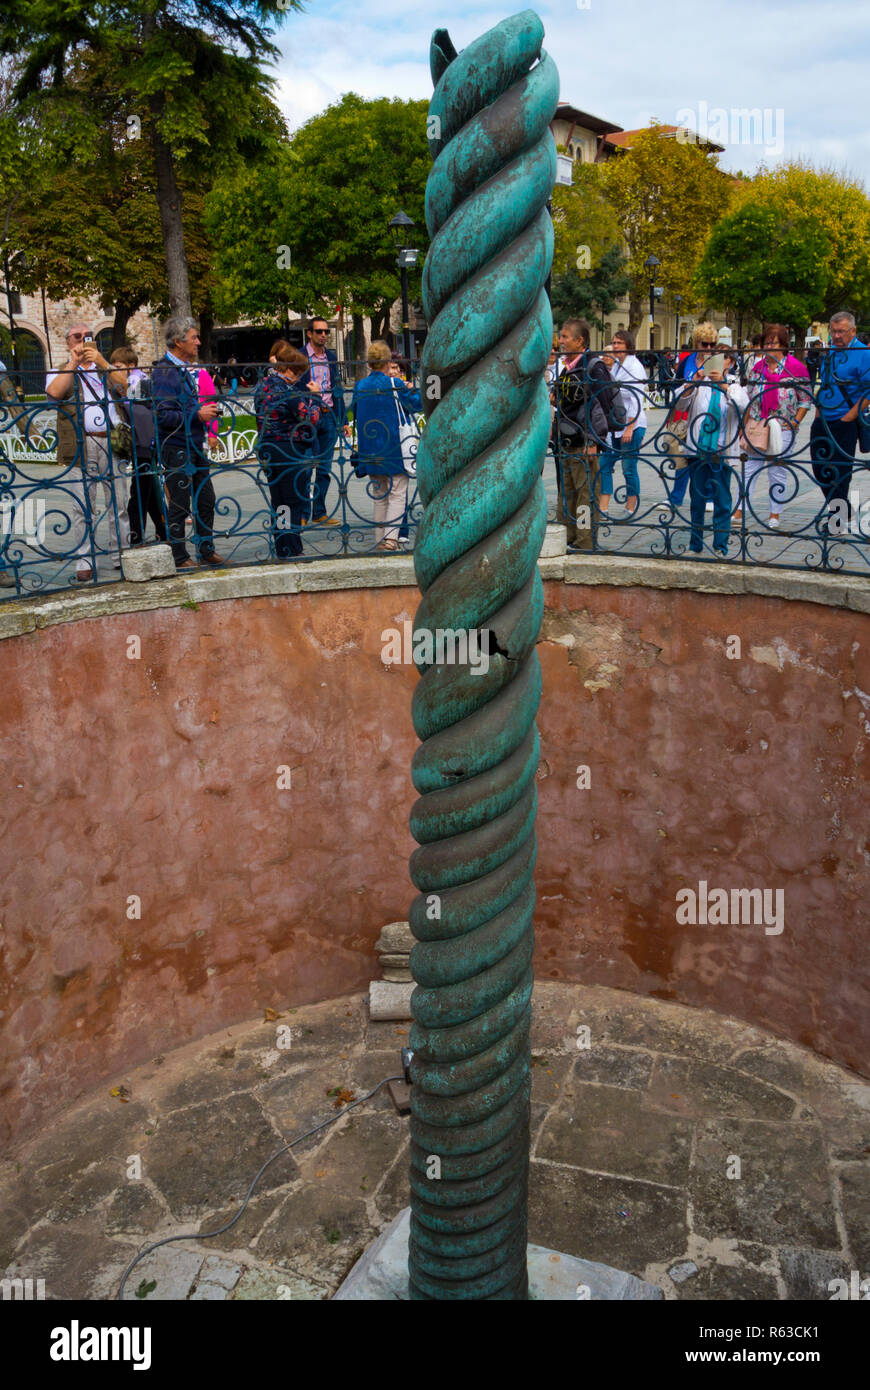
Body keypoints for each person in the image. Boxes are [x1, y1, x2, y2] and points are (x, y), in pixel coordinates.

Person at [45, 323, 130, 582]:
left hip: (113, 439)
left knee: (119, 502)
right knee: (83, 506)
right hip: (81, 444)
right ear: (68, 341)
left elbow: (123, 386)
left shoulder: (103, 367)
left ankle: (122, 555)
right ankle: (84, 559)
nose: (83, 340)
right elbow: (54, 393)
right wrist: (73, 363)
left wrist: (102, 362)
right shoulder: (60, 369)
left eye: (87, 336)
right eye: (77, 336)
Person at [151, 315, 226, 571]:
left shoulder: (183, 369)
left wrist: (203, 415)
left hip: (195, 444)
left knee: (206, 499)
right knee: (181, 503)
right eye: (193, 337)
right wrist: (197, 414)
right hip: (176, 447)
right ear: (178, 341)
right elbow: (163, 415)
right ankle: (179, 555)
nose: (198, 342)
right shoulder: (164, 372)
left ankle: (206, 549)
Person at [555, 318, 625, 550]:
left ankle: (585, 540)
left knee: (585, 496)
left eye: (565, 337)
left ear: (579, 340)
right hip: (567, 440)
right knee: (568, 493)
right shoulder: (569, 365)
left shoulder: (594, 367)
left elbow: (601, 405)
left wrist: (594, 440)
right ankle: (568, 535)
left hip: (583, 442)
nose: (561, 341)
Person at [737, 325, 810, 529]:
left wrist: (794, 422)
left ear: (784, 346)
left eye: (773, 343)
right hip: (759, 425)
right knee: (749, 469)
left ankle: (774, 514)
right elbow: (749, 397)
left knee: (777, 471)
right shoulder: (758, 368)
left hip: (783, 428)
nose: (768, 346)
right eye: (766, 343)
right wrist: (744, 424)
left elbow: (805, 400)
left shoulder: (795, 368)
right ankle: (739, 509)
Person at [352, 339, 420, 551]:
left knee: (380, 496)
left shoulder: (360, 386)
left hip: (370, 448)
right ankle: (391, 540)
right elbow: (416, 404)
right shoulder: (394, 384)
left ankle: (380, 539)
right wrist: (413, 388)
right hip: (393, 448)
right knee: (398, 492)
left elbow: (355, 411)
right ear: (386, 361)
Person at [680, 347, 748, 556]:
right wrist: (692, 382)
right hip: (698, 449)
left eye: (723, 358)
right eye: (712, 357)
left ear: (731, 363)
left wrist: (723, 386)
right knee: (697, 499)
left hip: (722, 449)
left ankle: (721, 545)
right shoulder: (699, 383)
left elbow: (743, 405)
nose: (717, 361)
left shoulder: (735, 385)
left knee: (722, 500)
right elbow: (679, 404)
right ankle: (695, 544)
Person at [254, 344, 320, 559]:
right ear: (290, 370)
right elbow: (309, 419)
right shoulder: (288, 391)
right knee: (293, 500)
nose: (299, 378)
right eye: (298, 373)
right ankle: (293, 546)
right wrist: (316, 399)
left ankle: (282, 543)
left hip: (267, 448)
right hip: (288, 449)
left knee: (279, 500)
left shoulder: (263, 385)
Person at [811, 310, 870, 532]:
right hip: (823, 419)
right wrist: (818, 413)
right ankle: (843, 511)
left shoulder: (863, 353)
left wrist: (850, 416)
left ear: (853, 331)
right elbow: (824, 384)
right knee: (819, 469)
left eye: (841, 332)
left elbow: (868, 389)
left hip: (845, 421)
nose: (836, 336)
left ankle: (837, 519)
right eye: (833, 331)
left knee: (839, 472)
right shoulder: (831, 352)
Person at [110, 348, 166, 549]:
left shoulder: (135, 383)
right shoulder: (140, 380)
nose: (114, 371)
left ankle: (137, 536)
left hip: (143, 443)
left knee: (140, 493)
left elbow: (136, 411)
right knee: (147, 489)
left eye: (118, 367)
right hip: (146, 443)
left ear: (130, 366)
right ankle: (163, 530)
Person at [663, 323, 720, 517]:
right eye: (705, 344)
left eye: (713, 345)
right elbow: (676, 388)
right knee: (682, 458)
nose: (709, 349)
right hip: (684, 415)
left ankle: (710, 497)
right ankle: (676, 497)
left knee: (707, 458)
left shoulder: (717, 361)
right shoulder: (687, 361)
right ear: (696, 343)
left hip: (707, 417)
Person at [301, 318, 350, 526]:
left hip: (328, 416)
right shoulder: (300, 357)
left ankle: (318, 511)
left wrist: (343, 420)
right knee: (304, 467)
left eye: (326, 331)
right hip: (306, 418)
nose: (323, 335)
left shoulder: (330, 357)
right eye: (319, 331)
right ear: (309, 333)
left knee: (324, 468)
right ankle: (301, 514)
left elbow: (337, 390)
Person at [597, 330, 647, 517]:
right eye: (614, 342)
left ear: (628, 345)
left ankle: (631, 505)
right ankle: (603, 505)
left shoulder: (634, 367)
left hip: (631, 425)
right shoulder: (619, 365)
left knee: (628, 467)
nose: (615, 346)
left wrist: (630, 426)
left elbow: (636, 398)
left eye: (619, 343)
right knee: (605, 464)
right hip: (616, 425)